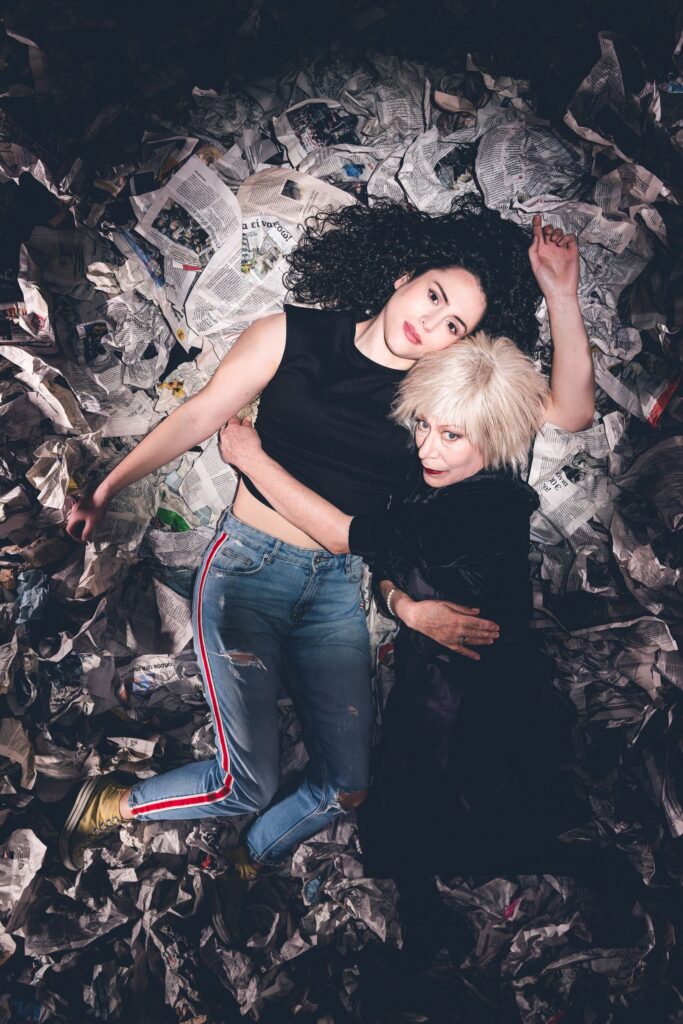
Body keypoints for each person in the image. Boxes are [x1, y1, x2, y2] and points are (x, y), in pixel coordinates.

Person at [60, 198, 593, 880]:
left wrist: (561, 293)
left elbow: (571, 412)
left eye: (453, 325)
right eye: (433, 295)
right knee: (248, 782)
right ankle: (115, 802)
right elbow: (197, 417)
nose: (430, 323)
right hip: (248, 572)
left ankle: (250, 857)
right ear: (403, 274)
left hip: (338, 588)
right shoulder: (291, 334)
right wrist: (105, 489)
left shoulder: (440, 387)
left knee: (347, 787)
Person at [216, 332, 585, 960]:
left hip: (475, 687)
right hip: (427, 668)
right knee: (411, 796)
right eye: (423, 425)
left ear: (493, 437)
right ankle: (424, 915)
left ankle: (431, 932)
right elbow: (386, 559)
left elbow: (346, 536)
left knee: (448, 804)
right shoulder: (432, 476)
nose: (427, 448)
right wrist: (405, 608)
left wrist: (250, 459)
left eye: (451, 435)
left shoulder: (481, 508)